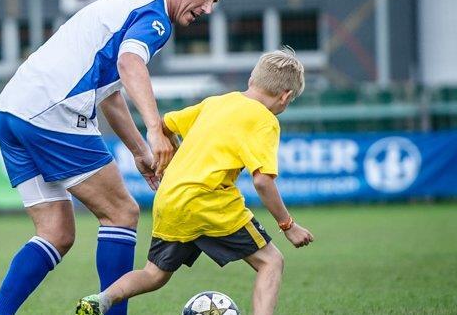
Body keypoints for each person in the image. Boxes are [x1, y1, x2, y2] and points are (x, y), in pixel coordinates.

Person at [0, 0, 233, 315]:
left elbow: (110, 95)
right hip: (52, 113)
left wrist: (138, 151)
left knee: (56, 233)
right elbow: (130, 62)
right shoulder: (154, 16)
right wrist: (154, 129)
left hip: (12, 112)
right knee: (122, 212)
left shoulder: (127, 5)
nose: (207, 8)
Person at [76, 48, 315, 315]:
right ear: (285, 96)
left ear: (252, 79)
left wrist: (174, 151)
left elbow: (163, 125)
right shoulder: (264, 120)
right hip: (210, 201)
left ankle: (102, 298)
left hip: (171, 198)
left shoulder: (215, 102)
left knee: (154, 274)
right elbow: (263, 182)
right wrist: (287, 225)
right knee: (271, 262)